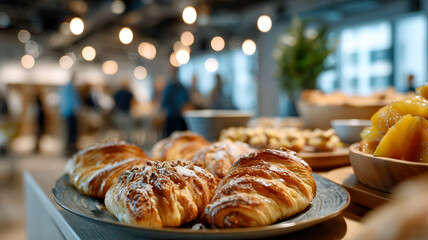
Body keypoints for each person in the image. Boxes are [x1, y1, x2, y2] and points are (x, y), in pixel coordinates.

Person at [161, 67, 189, 137]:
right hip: (172, 117)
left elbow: (163, 103)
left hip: (178, 118)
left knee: (179, 139)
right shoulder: (172, 87)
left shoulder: (179, 87)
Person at [59, 73, 82, 156]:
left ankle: (70, 148)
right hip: (70, 113)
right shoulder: (70, 87)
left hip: (67, 113)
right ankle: (69, 149)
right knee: (70, 132)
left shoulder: (66, 87)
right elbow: (72, 101)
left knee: (71, 132)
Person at [113, 78, 134, 142]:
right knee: (128, 130)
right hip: (126, 112)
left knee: (120, 130)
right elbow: (133, 102)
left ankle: (121, 141)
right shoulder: (129, 93)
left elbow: (115, 103)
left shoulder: (117, 93)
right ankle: (127, 142)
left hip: (120, 112)